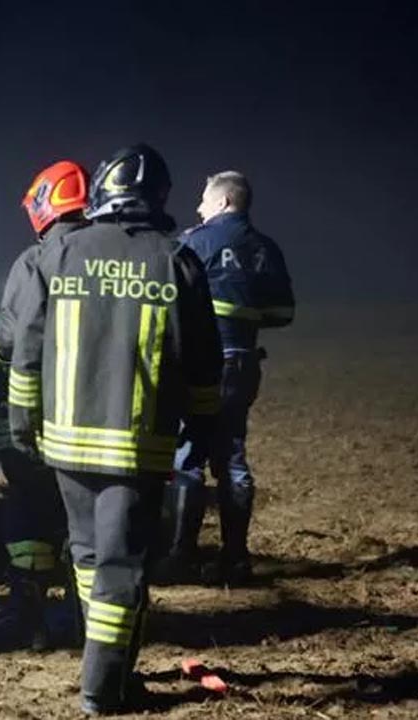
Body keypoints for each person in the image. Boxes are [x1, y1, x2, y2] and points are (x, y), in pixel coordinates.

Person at [7, 144, 222, 714]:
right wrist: (204, 425)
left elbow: (24, 348)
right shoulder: (178, 260)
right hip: (138, 446)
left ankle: (113, 667)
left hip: (66, 444)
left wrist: (22, 424)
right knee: (123, 565)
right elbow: (204, 358)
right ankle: (102, 688)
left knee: (86, 556)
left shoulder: (60, 253)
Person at [0, 160, 90, 650]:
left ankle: (28, 612)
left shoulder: (35, 263)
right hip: (98, 418)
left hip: (38, 418)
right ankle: (89, 623)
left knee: (29, 511)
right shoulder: (110, 259)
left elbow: (5, 345)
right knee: (85, 521)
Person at [166, 171, 295, 584]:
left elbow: (172, 301)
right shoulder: (266, 249)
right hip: (243, 363)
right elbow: (283, 314)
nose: (199, 208)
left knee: (187, 457)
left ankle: (180, 556)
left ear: (223, 202)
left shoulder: (195, 242)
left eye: (204, 200)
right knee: (233, 455)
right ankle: (236, 558)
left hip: (202, 363)